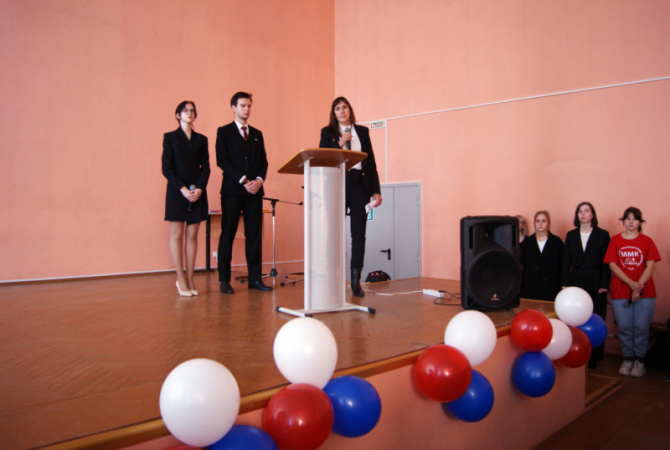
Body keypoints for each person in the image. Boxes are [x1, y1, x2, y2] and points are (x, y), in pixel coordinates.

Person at [319, 97, 382, 297]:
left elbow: (370, 162)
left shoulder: (362, 132)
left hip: (359, 184)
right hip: (337, 184)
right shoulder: (327, 132)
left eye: (344, 107)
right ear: (334, 113)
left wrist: (376, 190)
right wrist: (340, 143)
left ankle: (355, 278)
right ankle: (332, 277)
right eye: (337, 108)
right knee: (334, 232)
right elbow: (324, 159)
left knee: (359, 233)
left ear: (350, 110)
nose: (342, 111)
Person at [216, 92, 271, 294]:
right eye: (242, 105)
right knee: (228, 234)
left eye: (249, 105)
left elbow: (264, 162)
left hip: (254, 192)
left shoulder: (257, 133)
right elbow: (222, 160)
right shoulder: (224, 132)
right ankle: (224, 280)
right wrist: (244, 180)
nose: (247, 109)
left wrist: (259, 181)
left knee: (254, 235)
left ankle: (255, 279)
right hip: (232, 191)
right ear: (233, 107)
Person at [604, 206, 661, 377]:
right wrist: (631, 284)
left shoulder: (647, 241)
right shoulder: (615, 240)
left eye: (634, 219)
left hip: (645, 292)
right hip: (621, 291)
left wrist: (638, 286)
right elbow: (612, 265)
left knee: (641, 327)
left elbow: (650, 266)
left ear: (640, 222)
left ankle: (640, 361)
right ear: (623, 221)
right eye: (628, 218)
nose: (631, 222)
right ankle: (628, 358)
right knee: (625, 327)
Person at [162, 101, 210, 297]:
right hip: (177, 191)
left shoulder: (201, 139)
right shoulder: (170, 138)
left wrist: (199, 189)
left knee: (192, 236)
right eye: (185, 110)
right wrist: (182, 189)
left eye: (192, 111)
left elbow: (206, 168)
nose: (189, 113)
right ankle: (180, 278)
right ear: (178, 115)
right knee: (177, 235)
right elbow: (167, 168)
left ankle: (190, 278)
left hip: (196, 192)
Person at [561, 202, 611, 368]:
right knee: (575, 316)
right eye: (580, 211)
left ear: (592, 215)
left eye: (586, 211)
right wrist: (564, 283)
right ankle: (575, 351)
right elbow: (566, 261)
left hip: (596, 279)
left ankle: (593, 357)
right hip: (576, 279)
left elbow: (606, 262)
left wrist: (604, 283)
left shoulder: (603, 235)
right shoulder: (571, 235)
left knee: (595, 315)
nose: (582, 214)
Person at [520, 211, 563, 301]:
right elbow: (523, 265)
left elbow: (562, 265)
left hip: (551, 287)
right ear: (534, 223)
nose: (540, 224)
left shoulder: (557, 242)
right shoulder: (527, 243)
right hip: (531, 287)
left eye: (543, 221)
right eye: (537, 221)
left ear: (548, 223)